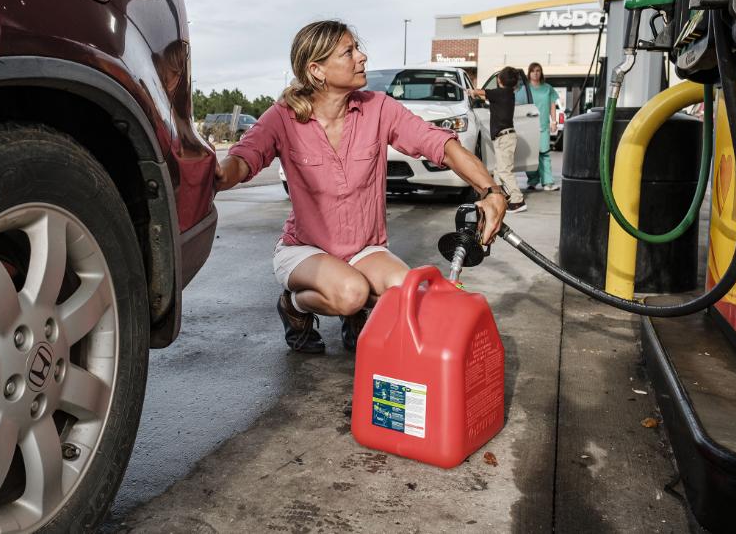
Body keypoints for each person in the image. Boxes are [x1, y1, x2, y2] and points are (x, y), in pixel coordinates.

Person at [213, 20, 510, 354]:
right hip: (306, 250)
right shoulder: (283, 117)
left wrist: (491, 191)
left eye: (358, 48)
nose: (362, 57)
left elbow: (441, 145)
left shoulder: (378, 108)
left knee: (407, 293)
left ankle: (357, 314)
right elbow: (242, 160)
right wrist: (216, 175)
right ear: (317, 70)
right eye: (349, 52)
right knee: (351, 293)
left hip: (364, 249)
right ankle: (295, 307)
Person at [467, 66, 526, 213]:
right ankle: (501, 198)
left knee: (505, 171)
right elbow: (486, 96)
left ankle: (518, 201)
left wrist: (472, 91)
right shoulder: (506, 94)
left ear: (499, 80)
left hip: (504, 138)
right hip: (504, 137)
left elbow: (483, 92)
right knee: (499, 171)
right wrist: (476, 94)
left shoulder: (501, 93)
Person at [523, 62, 560, 191]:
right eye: (533, 71)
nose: (535, 73)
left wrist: (554, 121)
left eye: (538, 70)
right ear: (529, 73)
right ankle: (532, 181)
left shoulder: (547, 88)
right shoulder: (525, 88)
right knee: (530, 154)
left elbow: (552, 105)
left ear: (541, 72)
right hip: (528, 126)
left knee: (544, 154)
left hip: (543, 126)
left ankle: (547, 182)